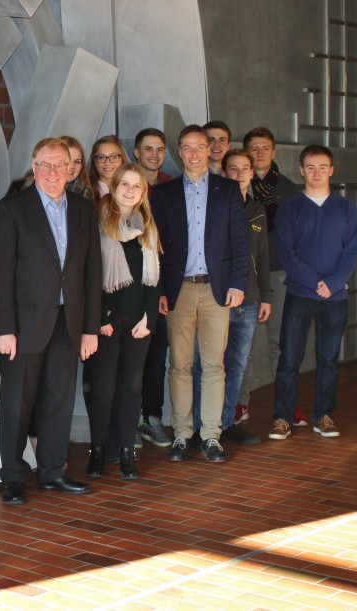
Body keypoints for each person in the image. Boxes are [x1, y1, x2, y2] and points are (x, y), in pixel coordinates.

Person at [0, 137, 101, 506]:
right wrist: (4, 328)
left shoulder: (85, 209)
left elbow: (91, 273)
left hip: (68, 323)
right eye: (46, 165)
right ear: (34, 167)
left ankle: (53, 471)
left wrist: (90, 328)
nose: (54, 172)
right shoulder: (12, 208)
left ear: (71, 169)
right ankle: (14, 476)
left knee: (59, 400)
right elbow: (0, 274)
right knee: (18, 403)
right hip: (23, 326)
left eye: (61, 165)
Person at [151, 125, 250, 465]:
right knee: (179, 365)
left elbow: (240, 241)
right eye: (186, 148)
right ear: (180, 152)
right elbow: (158, 248)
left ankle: (210, 436)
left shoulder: (227, 190)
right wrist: (162, 290)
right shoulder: (164, 194)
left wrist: (238, 284)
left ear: (209, 150)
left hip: (216, 290)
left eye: (199, 147)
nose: (193, 154)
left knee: (213, 365)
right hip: (179, 290)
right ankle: (182, 434)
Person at [268, 145, 357, 440]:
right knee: (289, 359)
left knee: (329, 359)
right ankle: (282, 418)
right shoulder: (290, 208)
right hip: (300, 294)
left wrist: (332, 283)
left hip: (336, 297)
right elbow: (286, 253)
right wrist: (313, 282)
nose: (317, 173)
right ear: (301, 170)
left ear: (331, 170)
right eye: (310, 167)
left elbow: (352, 252)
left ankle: (324, 416)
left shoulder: (345, 208)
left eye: (322, 167)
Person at [191, 149, 273, 446]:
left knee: (237, 365)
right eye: (233, 169)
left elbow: (261, 257)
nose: (239, 175)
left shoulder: (257, 210)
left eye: (245, 169)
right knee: (207, 364)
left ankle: (226, 424)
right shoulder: (212, 207)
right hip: (218, 297)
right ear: (223, 173)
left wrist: (266, 295)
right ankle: (202, 427)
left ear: (252, 174)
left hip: (249, 301)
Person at [84, 163, 160, 480]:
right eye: (124, 184)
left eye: (136, 186)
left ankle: (128, 452)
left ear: (143, 193)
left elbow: (154, 280)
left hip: (137, 320)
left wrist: (149, 317)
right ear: (113, 187)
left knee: (132, 386)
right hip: (106, 321)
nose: (130, 191)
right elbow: (90, 274)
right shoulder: (98, 221)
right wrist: (100, 317)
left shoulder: (148, 226)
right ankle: (100, 450)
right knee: (103, 389)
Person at [242, 126, 301, 425]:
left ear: (274, 152)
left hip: (278, 275)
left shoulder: (289, 190)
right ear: (247, 153)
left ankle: (287, 405)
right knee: (244, 344)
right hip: (247, 276)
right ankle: (241, 404)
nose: (261, 153)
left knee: (282, 343)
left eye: (266, 148)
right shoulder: (238, 186)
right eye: (254, 148)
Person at [132, 127, 174, 449]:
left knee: (157, 356)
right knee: (128, 360)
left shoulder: (171, 188)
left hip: (159, 285)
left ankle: (152, 418)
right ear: (136, 152)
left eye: (160, 149)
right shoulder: (127, 186)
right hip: (126, 286)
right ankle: (128, 422)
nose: (155, 155)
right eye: (148, 149)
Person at [88, 135, 127, 202]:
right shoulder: (84, 193)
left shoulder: (132, 190)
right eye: (101, 157)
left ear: (122, 160)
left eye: (114, 157)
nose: (107, 163)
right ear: (94, 162)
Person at [59, 135, 93, 201]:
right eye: (67, 160)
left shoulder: (86, 195)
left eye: (77, 162)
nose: (72, 166)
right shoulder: (36, 190)